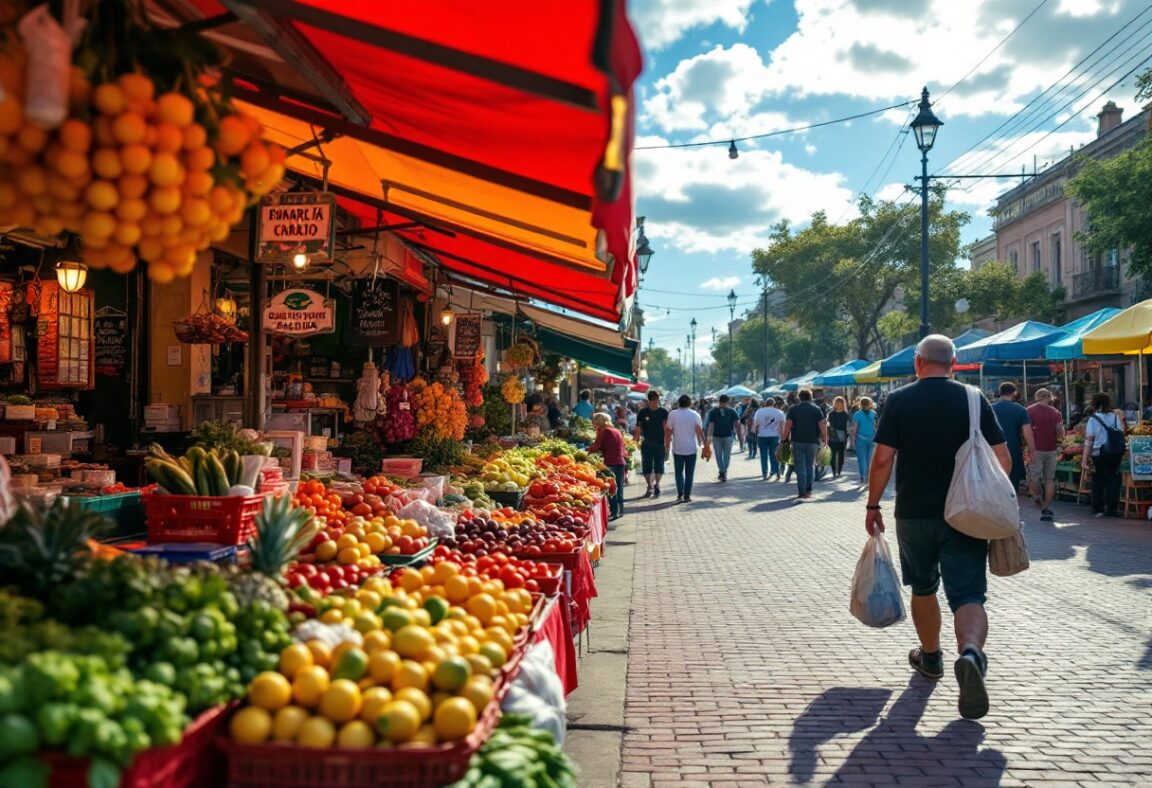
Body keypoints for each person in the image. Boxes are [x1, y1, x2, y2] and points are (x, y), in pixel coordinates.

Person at [865, 335, 1009, 721]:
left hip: (914, 512)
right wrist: (986, 496)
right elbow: (1003, 458)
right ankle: (972, 654)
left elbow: (882, 460)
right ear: (954, 362)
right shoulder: (974, 399)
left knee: (923, 586)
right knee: (967, 593)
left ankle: (931, 657)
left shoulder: (899, 400)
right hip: (965, 513)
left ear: (917, 362)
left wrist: (873, 504)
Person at [1083, 391, 1123, 518]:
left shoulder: (1093, 419)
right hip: (1115, 452)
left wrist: (1084, 459)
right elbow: (1121, 432)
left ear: (1094, 404)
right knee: (1113, 479)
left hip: (1098, 453)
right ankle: (1112, 508)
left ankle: (1098, 506)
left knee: (1098, 479)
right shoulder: (1116, 417)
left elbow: (1089, 441)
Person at [1026, 388, 1065, 522]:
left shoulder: (1029, 410)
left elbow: (1026, 430)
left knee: (1033, 478)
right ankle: (1046, 508)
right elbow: (1060, 432)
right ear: (1049, 398)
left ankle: (1039, 498)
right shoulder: (1055, 412)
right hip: (1051, 449)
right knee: (1049, 479)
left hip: (1035, 449)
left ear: (1037, 397)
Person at [780, 389, 827, 500]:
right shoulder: (816, 410)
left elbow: (788, 425)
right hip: (812, 442)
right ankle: (808, 491)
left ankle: (801, 491)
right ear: (810, 397)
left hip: (797, 441)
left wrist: (784, 438)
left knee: (800, 466)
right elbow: (822, 426)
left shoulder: (793, 409)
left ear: (799, 398)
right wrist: (825, 440)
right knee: (809, 465)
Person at [991, 382, 1034, 491]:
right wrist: (1032, 450)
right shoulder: (1020, 410)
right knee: (1012, 481)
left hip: (992, 449)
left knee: (993, 478)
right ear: (1014, 393)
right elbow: (1027, 432)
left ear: (1000, 393)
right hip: (1012, 448)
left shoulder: (990, 408)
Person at [665, 394, 705, 503]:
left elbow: (668, 431)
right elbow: (699, 431)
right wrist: (704, 444)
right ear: (690, 403)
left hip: (678, 448)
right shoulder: (695, 414)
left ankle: (680, 493)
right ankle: (687, 495)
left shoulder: (673, 414)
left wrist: (667, 445)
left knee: (678, 472)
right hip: (692, 448)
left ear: (678, 403)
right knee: (689, 473)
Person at [590, 413, 626, 520]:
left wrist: (586, 452)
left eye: (595, 422)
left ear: (598, 422)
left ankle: (614, 512)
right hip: (620, 461)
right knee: (619, 487)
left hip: (611, 462)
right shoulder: (615, 430)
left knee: (612, 488)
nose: (594, 425)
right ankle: (620, 510)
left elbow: (596, 446)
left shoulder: (604, 431)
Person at [634, 391, 669, 498]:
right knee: (656, 465)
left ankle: (651, 486)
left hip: (651, 443)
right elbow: (665, 428)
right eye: (653, 399)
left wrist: (636, 440)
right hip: (654, 443)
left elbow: (638, 429)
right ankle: (654, 485)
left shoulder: (643, 412)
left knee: (650, 466)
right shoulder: (663, 411)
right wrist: (667, 443)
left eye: (655, 399)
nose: (654, 401)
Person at [705, 394, 743, 482]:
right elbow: (738, 424)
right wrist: (740, 437)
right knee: (727, 456)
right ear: (728, 401)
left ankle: (722, 472)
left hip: (716, 436)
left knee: (718, 456)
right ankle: (723, 472)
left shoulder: (713, 411)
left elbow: (711, 425)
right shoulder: (732, 411)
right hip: (728, 436)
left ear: (719, 401)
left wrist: (709, 437)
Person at [752, 397, 786, 481]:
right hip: (774, 436)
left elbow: (754, 426)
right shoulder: (779, 412)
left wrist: (752, 433)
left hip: (762, 436)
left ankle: (764, 474)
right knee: (774, 455)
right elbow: (782, 428)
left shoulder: (759, 412)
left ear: (765, 403)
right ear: (774, 404)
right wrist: (783, 438)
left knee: (763, 456)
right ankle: (776, 473)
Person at [851, 397, 878, 483]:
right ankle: (868, 476)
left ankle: (863, 476)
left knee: (861, 458)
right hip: (872, 438)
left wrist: (852, 440)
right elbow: (876, 427)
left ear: (860, 404)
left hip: (861, 438)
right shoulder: (874, 413)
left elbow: (854, 429)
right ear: (870, 403)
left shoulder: (857, 414)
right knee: (869, 459)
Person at [827, 396, 850, 479]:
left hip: (843, 437)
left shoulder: (846, 414)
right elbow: (828, 425)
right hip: (833, 436)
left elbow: (847, 426)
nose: (839, 405)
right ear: (835, 404)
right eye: (837, 403)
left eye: (841, 403)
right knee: (832, 455)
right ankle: (834, 471)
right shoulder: (831, 414)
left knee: (841, 455)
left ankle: (839, 471)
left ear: (843, 404)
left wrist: (848, 434)